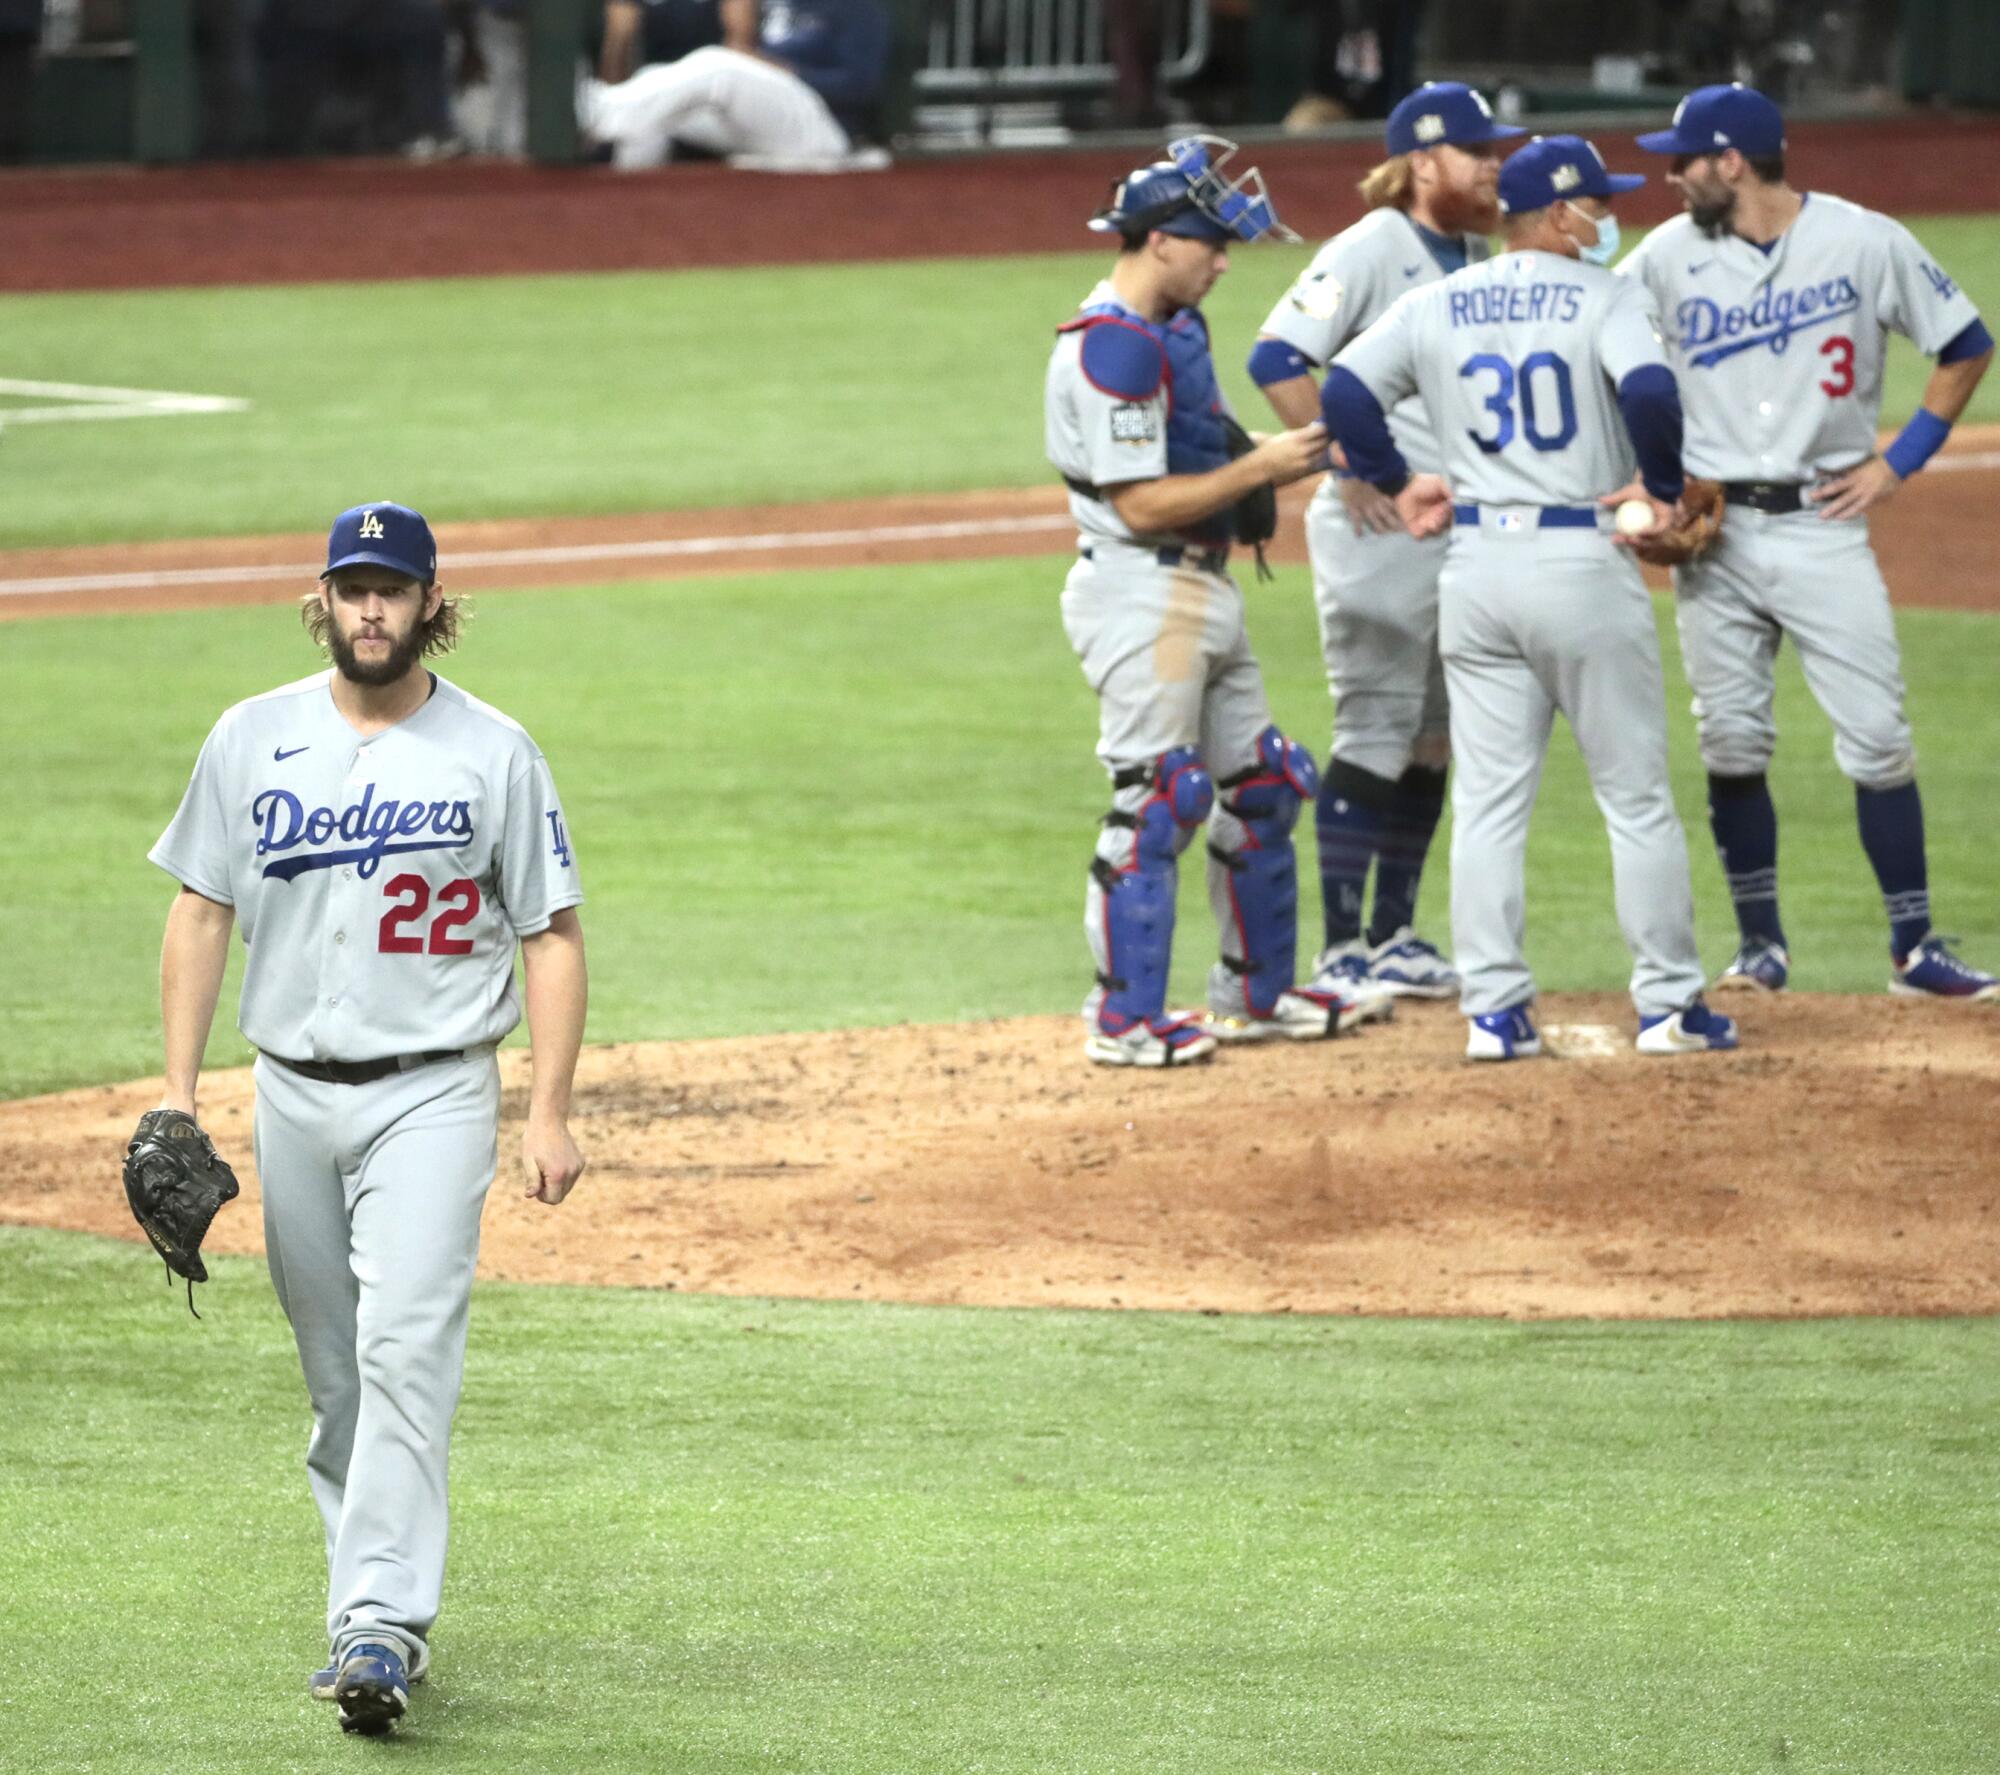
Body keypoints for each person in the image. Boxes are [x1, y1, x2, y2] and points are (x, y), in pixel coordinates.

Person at [146, 502, 588, 1734]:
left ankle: (380, 1625)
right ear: (324, 598)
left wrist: (545, 1108)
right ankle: (365, 1605)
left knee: (403, 1347)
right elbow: (198, 911)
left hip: (438, 1087)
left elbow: (551, 931)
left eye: (394, 589)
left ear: (430, 602)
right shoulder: (251, 736)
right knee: (339, 1371)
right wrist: (177, 1097)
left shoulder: (494, 750)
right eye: (354, 588)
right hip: (290, 1089)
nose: (373, 609)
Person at [1320, 134, 1740, 1060]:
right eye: (1596, 202)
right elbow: (1652, 393)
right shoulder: (1610, 293)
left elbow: (1345, 388)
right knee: (1634, 797)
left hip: (1475, 569)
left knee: (1490, 802)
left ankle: (1494, 1013)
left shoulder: (1437, 300)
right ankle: (1670, 1005)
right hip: (1580, 566)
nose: (1606, 216)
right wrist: (1662, 489)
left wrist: (1398, 480)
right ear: (1559, 214)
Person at [1621, 83, 1998, 1002]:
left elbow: (1966, 342)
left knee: (1878, 739)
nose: (1671, 177)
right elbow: (1612, 366)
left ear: (1732, 162)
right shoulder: (1661, 258)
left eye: (1685, 160)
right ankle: (1761, 947)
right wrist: (1649, 482)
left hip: (1824, 526)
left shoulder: (1865, 241)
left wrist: (1898, 462)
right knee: (1733, 742)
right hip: (1715, 541)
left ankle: (1912, 947)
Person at [1045, 137, 1393, 1068]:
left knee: (1266, 786)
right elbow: (1141, 501)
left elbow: (1195, 446)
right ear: (1160, 241)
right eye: (1210, 243)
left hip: (1201, 586)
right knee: (1158, 799)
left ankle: (1256, 995)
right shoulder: (1111, 349)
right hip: (1139, 589)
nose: (1224, 260)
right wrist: (1264, 467)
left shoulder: (1172, 330)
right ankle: (1123, 1020)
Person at [1248, 80, 1522, 1003]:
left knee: (1434, 737)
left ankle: (1395, 933)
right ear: (1423, 162)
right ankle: (1340, 949)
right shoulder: (1371, 247)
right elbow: (1277, 355)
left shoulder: (1476, 250)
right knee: (1374, 724)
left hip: (1453, 528)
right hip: (1381, 526)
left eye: (1496, 152)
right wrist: (1350, 466)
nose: (1495, 166)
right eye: (1479, 152)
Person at [579, 0, 888, 171]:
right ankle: (625, 195)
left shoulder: (857, 7)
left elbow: (861, 86)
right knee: (659, 85)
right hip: (770, 122)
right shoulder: (783, 4)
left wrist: (788, 71)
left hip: (824, 130)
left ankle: (592, 112)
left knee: (718, 66)